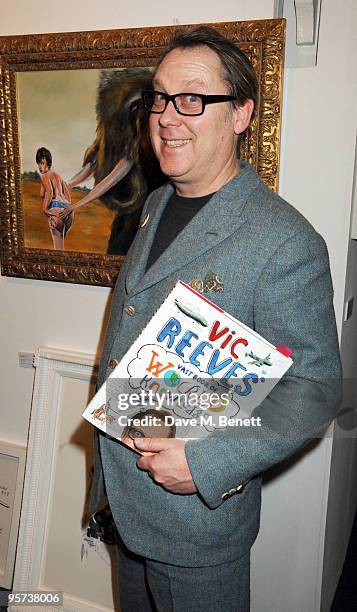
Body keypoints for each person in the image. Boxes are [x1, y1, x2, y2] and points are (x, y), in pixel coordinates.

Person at [92, 26, 342, 611]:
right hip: (124, 499)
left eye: (193, 99)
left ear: (241, 114)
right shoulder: (157, 203)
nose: (168, 116)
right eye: (159, 97)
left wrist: (204, 463)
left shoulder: (286, 241)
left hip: (193, 522)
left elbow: (316, 390)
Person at [36, 147, 74, 250]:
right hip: (68, 210)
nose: (40, 166)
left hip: (55, 209)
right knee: (61, 246)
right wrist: (68, 209)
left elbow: (49, 192)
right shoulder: (58, 176)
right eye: (38, 163)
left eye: (42, 163)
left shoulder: (44, 177)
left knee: (58, 251)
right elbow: (67, 194)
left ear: (48, 163)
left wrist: (45, 208)